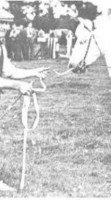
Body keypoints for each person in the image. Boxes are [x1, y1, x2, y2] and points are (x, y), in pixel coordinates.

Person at [0, 42, 47, 191]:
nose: (4, 27)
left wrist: (34, 72)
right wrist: (17, 85)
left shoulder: (1, 46)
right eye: (1, 22)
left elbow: (9, 71)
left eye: (7, 23)